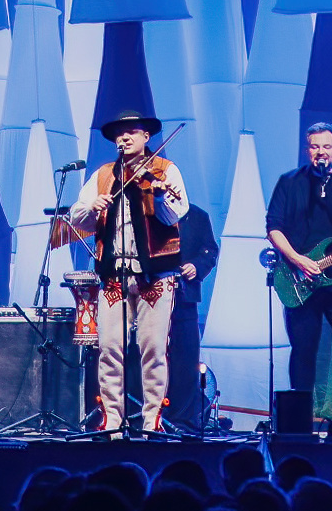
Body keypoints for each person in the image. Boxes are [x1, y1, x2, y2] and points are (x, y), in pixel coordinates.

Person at [69, 110, 190, 438]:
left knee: (153, 350)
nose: (124, 138)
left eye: (132, 132)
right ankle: (112, 420)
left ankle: (152, 421)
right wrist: (92, 207)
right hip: (114, 274)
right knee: (110, 350)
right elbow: (76, 216)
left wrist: (161, 196)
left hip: (155, 275)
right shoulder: (103, 175)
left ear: (146, 137)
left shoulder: (165, 170)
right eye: (119, 134)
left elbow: (175, 214)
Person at [266, 121, 332, 425]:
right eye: (315, 146)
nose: (321, 152)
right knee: (303, 349)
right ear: (307, 150)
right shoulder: (289, 183)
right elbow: (273, 227)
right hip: (299, 278)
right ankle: (300, 418)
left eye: (326, 147)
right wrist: (298, 259)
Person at [169, 203, 220, 433]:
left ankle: (183, 421)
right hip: (150, 295)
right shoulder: (147, 212)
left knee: (186, 358)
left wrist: (196, 266)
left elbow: (209, 251)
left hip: (185, 297)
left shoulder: (197, 215)